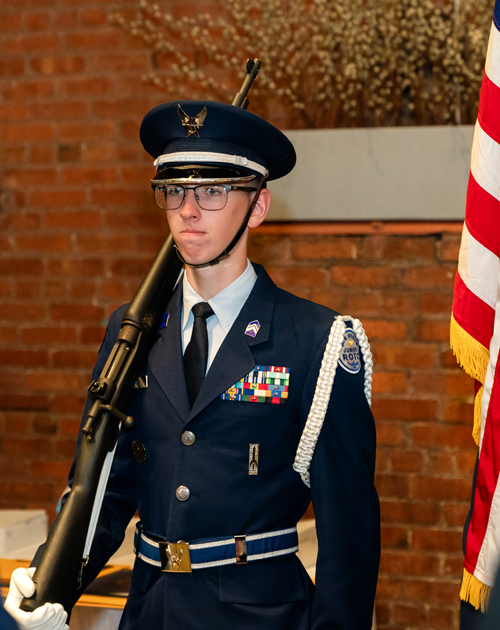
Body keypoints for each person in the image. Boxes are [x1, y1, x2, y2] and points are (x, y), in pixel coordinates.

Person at [5, 100, 380, 630]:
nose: (188, 210)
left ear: (258, 207)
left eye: (212, 191)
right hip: (150, 609)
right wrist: (51, 582)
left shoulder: (314, 341)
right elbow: (105, 488)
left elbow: (350, 540)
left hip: (261, 616)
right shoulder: (132, 330)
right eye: (174, 191)